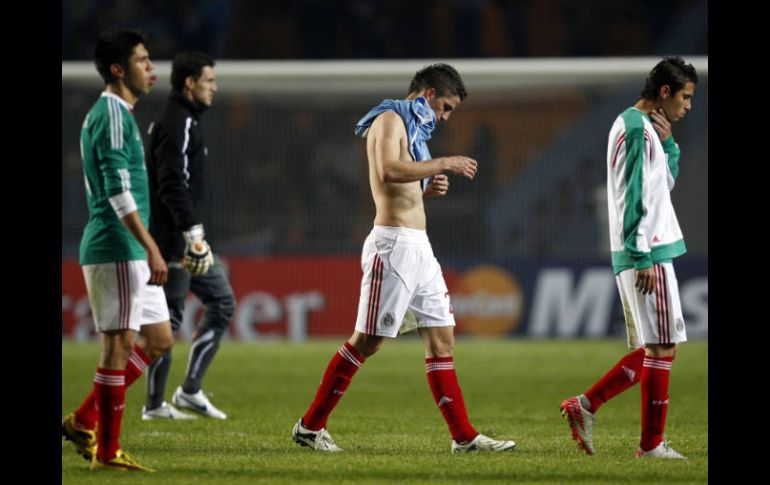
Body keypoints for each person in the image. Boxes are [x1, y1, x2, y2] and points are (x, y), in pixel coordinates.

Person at [291, 63, 516, 453]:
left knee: (442, 338)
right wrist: (443, 163)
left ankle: (463, 437)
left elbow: (402, 181)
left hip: (419, 246)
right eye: (445, 107)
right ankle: (310, 427)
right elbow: (388, 170)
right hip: (393, 246)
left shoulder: (413, 128)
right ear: (428, 94)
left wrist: (426, 190)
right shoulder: (390, 119)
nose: (444, 117)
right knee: (368, 342)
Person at [560, 56, 698, 459]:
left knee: (658, 347)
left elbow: (661, 184)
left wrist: (670, 143)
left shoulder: (643, 129)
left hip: (646, 246)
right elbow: (633, 193)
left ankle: (585, 406)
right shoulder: (636, 130)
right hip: (646, 248)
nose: (689, 106)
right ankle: (650, 445)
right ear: (665, 92)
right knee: (662, 346)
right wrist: (640, 255)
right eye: (686, 97)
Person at [61, 29, 175, 472]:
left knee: (159, 339)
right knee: (119, 344)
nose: (151, 68)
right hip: (116, 244)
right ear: (118, 69)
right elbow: (116, 192)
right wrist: (151, 247)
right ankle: (107, 453)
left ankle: (84, 419)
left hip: (128, 247)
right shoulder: (110, 114)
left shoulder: (122, 115)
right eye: (143, 60)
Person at [141, 51, 235, 420]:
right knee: (201, 309)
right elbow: (172, 183)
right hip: (178, 240)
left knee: (177, 314)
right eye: (209, 81)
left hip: (178, 237)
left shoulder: (183, 119)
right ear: (189, 83)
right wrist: (192, 232)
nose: (214, 87)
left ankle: (169, 399)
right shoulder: (178, 120)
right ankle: (176, 396)